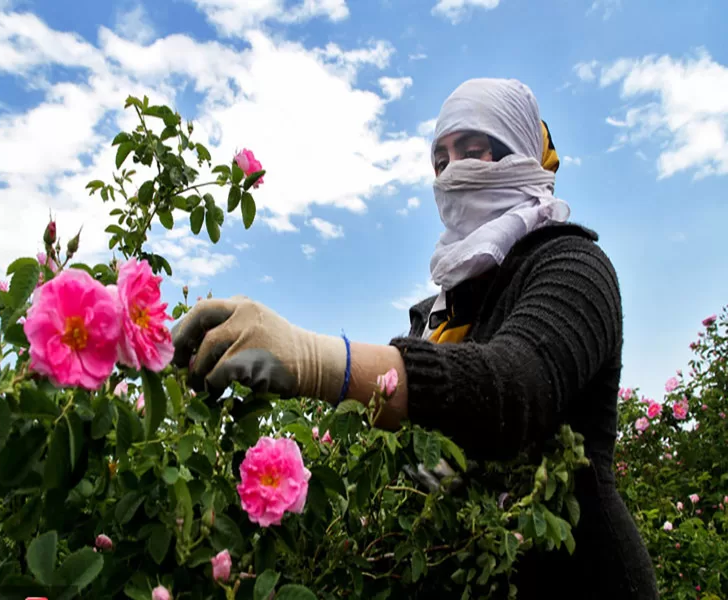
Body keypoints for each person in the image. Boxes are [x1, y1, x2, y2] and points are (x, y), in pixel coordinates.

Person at [171, 78, 659, 599]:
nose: (454, 173)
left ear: (521, 152)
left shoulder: (573, 266)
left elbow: (517, 388)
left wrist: (313, 359)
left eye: (475, 152)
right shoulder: (435, 314)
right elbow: (408, 464)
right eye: (442, 162)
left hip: (584, 580)